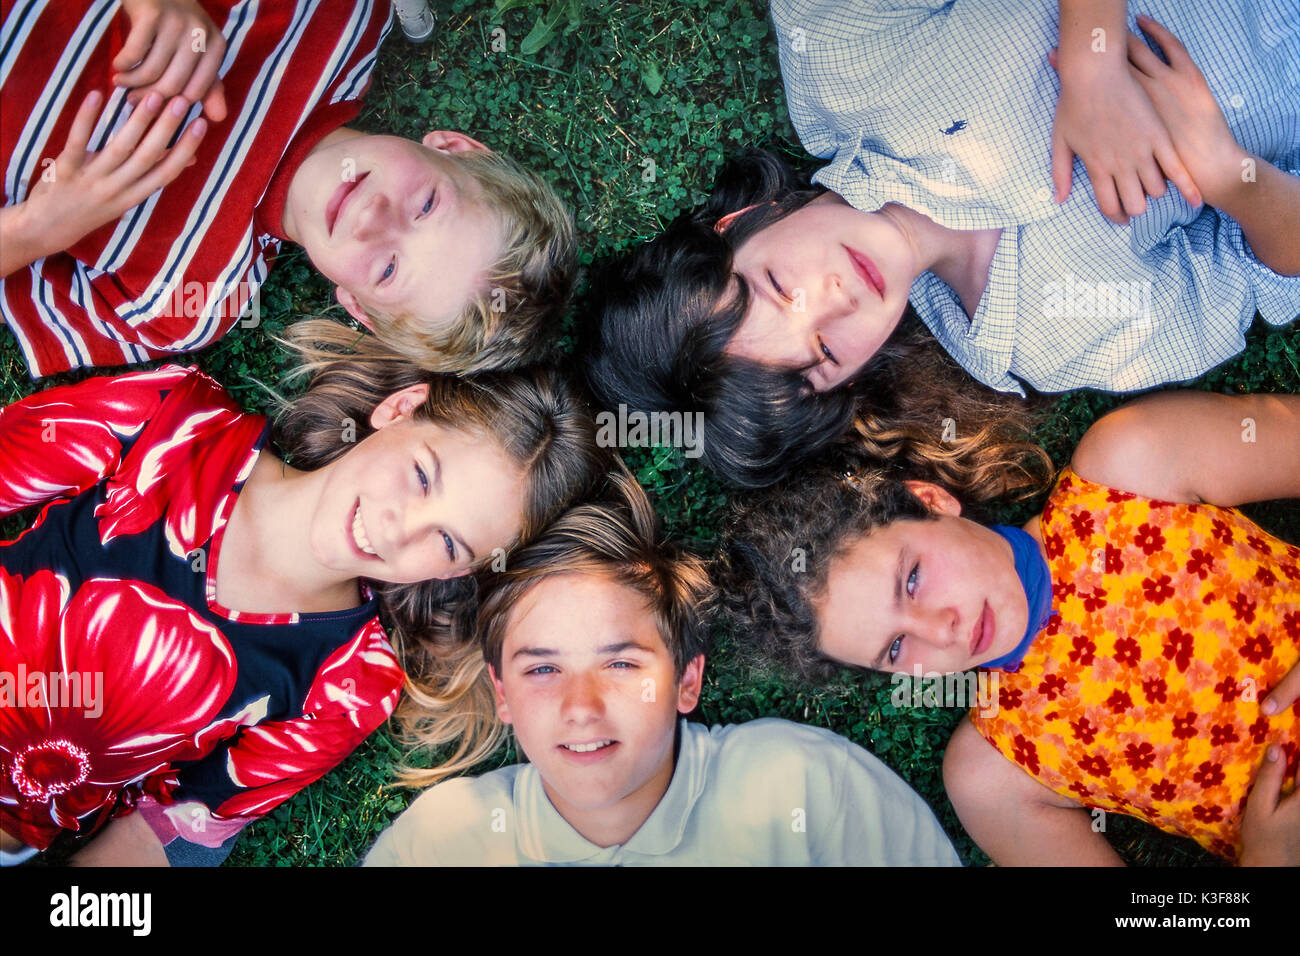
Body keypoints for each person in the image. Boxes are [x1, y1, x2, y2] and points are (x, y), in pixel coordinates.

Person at [581, 2, 1299, 487]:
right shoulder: (1047, 339)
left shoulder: (841, 58)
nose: (837, 304)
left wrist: (1092, 62)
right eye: (825, 354)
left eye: (778, 287)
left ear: (738, 225)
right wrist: (1232, 179)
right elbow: (1273, 275)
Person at [0, 353, 606, 866]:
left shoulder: (348, 685)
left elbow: (172, 825)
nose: (400, 530)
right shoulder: (179, 420)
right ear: (399, 409)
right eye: (423, 476)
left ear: (454, 572)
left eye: (448, 543)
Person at [714, 389, 1300, 864]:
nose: (940, 631)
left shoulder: (1132, 466)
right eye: (895, 647)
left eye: (913, 579)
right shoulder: (991, 774)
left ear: (931, 499)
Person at [363, 468, 961, 866]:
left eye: (621, 663)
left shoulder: (800, 784)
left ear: (687, 680)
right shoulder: (440, 846)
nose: (581, 707)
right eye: (541, 670)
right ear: (502, 696)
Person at [0, 0, 574, 378]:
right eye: (426, 205)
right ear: (454, 148)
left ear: (357, 307)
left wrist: (38, 229)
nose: (374, 219)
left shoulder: (192, 303)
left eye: (388, 271)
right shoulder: (336, 17)